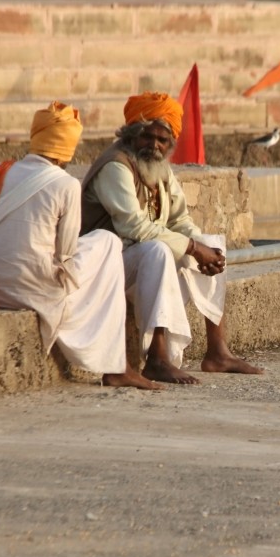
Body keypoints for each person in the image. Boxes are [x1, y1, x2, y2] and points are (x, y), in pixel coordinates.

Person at [80, 91, 263, 384]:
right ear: (131, 135)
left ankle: (217, 351)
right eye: (147, 137)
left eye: (162, 140)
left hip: (136, 259)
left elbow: (179, 220)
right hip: (106, 266)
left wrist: (203, 248)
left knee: (212, 244)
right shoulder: (115, 167)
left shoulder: (160, 168)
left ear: (170, 144)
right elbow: (135, 228)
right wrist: (192, 248)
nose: (154, 145)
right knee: (158, 251)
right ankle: (156, 358)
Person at [0, 100, 160, 390]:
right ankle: (117, 367)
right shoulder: (65, 184)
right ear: (67, 150)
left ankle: (118, 364)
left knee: (104, 251)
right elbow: (66, 258)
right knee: (109, 243)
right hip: (33, 290)